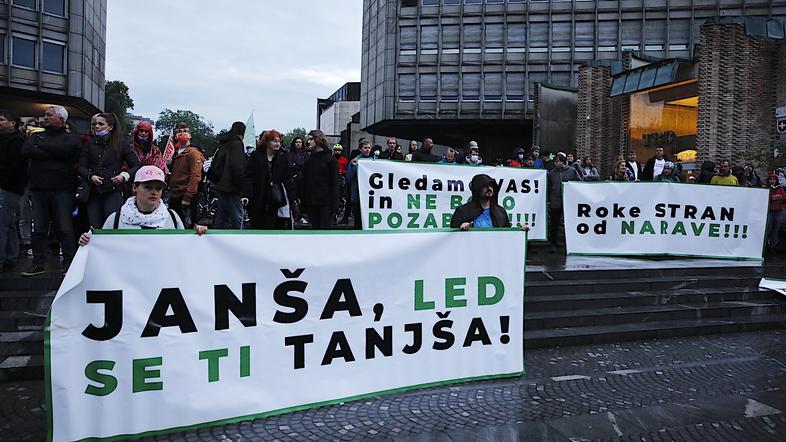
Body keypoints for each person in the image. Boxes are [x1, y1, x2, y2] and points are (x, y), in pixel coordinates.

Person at [20, 106, 81, 277]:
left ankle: (69, 263)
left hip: (62, 189)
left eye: (49, 115)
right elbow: (26, 151)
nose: (44, 117)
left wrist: (41, 148)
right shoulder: (36, 136)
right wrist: (52, 150)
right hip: (39, 188)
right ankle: (38, 263)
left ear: (61, 119)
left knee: (65, 227)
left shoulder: (71, 138)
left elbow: (67, 150)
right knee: (38, 228)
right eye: (45, 114)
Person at [78, 166, 207, 246]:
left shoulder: (172, 217)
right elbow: (102, 249)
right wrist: (88, 242)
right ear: (135, 187)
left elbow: (184, 249)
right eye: (147, 187)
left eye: (158, 188)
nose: (154, 192)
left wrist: (197, 236)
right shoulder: (116, 219)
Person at [78, 113, 140, 229]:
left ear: (110, 127)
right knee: (94, 226)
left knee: (112, 225)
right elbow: (81, 167)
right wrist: (90, 176)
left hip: (113, 191)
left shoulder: (121, 144)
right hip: (94, 192)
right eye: (95, 124)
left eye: (101, 124)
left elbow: (136, 165)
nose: (97, 126)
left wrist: (124, 176)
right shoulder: (89, 144)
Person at [241, 130, 293, 229]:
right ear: (267, 142)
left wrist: (292, 196)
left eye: (279, 141)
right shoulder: (256, 156)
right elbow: (248, 177)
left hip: (273, 198)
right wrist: (246, 195)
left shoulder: (282, 157)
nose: (277, 144)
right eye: (274, 141)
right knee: (256, 225)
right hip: (257, 196)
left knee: (270, 225)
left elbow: (287, 178)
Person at [0, 110, 26, 271]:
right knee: (8, 224)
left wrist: (4, 184)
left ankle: (5, 257)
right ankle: (10, 257)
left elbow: (15, 167)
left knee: (3, 224)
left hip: (8, 188)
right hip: (9, 187)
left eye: (2, 119)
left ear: (12, 123)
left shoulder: (16, 141)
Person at [168, 122, 205, 227]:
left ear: (190, 135)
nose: (182, 133)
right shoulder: (176, 153)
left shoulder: (193, 153)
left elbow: (195, 176)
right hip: (175, 194)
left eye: (185, 131)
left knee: (186, 227)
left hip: (186, 196)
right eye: (179, 131)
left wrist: (187, 197)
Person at [212, 122, 247, 229]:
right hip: (232, 187)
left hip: (221, 185)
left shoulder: (224, 144)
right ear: (243, 132)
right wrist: (241, 188)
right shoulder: (237, 144)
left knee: (221, 219)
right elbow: (237, 167)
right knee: (237, 219)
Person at [302, 130, 339, 229]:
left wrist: (335, 206)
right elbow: (305, 183)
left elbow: (335, 183)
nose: (308, 142)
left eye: (311, 139)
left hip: (326, 203)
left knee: (325, 232)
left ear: (318, 140)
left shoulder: (330, 159)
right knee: (315, 231)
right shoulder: (308, 160)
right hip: (311, 202)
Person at [548, 154, 583, 247]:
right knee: (554, 224)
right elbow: (550, 186)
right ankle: (553, 243)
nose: (555, 163)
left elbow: (579, 184)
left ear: (562, 161)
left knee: (569, 223)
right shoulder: (552, 173)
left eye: (557, 161)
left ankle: (569, 244)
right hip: (555, 202)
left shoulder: (572, 171)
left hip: (568, 202)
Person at [346, 139, 373, 229]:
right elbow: (348, 179)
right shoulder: (355, 161)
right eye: (365, 148)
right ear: (360, 149)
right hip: (357, 196)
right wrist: (353, 166)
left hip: (370, 196)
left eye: (369, 148)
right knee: (358, 221)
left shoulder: (373, 161)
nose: (367, 150)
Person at [288, 137, 308, 223]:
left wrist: (297, 165)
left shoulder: (305, 154)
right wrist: (299, 165)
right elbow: (290, 165)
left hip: (303, 179)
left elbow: (306, 165)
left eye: (300, 142)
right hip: (293, 179)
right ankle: (293, 215)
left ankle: (301, 216)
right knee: (293, 197)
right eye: (297, 142)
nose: (298, 143)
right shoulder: (290, 154)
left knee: (302, 198)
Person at [766, 173, 785, 249]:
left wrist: (778, 198)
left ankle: (773, 246)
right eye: (771, 179)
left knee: (776, 229)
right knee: (769, 228)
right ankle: (766, 242)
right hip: (769, 211)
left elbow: (784, 198)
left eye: (774, 179)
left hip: (778, 211)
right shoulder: (767, 188)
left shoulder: (780, 189)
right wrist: (774, 197)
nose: (772, 181)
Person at [334, 144, 351, 224]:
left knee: (341, 195)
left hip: (342, 179)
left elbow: (347, 170)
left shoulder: (344, 160)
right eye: (336, 150)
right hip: (334, 179)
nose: (337, 151)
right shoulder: (332, 159)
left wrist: (342, 172)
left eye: (339, 150)